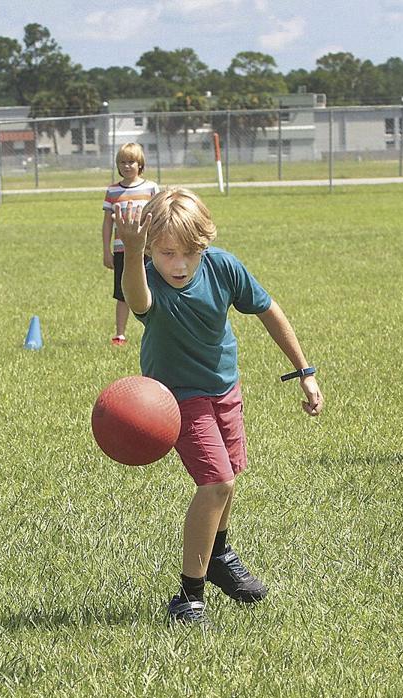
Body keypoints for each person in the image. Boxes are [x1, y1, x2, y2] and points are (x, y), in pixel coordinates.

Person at [114, 188, 323, 625]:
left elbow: (268, 310)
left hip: (224, 389)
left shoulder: (223, 267)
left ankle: (219, 556)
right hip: (175, 399)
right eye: (167, 252)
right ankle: (188, 598)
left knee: (230, 476)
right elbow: (136, 300)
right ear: (151, 247)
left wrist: (304, 371)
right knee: (216, 484)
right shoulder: (147, 275)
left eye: (190, 252)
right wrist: (133, 254)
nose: (180, 264)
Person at [101, 143, 159, 346]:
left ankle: (156, 330)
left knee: (153, 289)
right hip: (121, 250)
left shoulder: (151, 188)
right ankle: (120, 334)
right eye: (122, 162)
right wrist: (106, 251)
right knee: (123, 292)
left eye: (131, 162)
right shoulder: (113, 191)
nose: (127, 166)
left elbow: (159, 217)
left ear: (140, 164)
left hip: (148, 249)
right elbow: (108, 222)